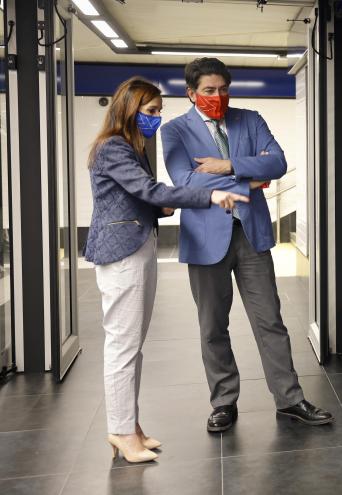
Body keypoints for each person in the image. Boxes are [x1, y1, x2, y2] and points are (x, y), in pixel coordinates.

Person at [161, 58, 332, 433]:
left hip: (251, 235)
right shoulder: (174, 131)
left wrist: (226, 167)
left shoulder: (250, 119)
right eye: (208, 90)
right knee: (212, 325)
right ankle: (223, 402)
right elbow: (184, 183)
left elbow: (278, 164)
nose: (217, 96)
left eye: (223, 89)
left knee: (270, 319)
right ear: (191, 93)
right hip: (206, 240)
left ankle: (290, 399)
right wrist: (247, 182)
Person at [85, 77, 249, 463]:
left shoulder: (130, 146)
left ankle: (131, 426)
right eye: (151, 112)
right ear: (129, 109)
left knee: (132, 346)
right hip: (122, 251)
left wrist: (157, 205)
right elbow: (149, 190)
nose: (156, 119)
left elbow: (141, 194)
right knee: (123, 346)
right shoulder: (112, 148)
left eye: (159, 112)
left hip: (139, 245)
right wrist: (208, 194)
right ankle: (122, 431)